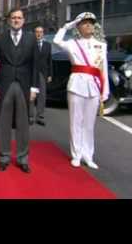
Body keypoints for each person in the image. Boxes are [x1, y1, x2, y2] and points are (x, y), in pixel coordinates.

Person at [53, 12, 109, 169]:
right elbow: (57, 40)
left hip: (94, 86)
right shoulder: (72, 43)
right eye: (85, 23)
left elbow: (103, 69)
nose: (89, 25)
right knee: (76, 122)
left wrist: (105, 91)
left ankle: (88, 155)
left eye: (91, 22)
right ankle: (76, 154)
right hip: (77, 84)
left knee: (89, 124)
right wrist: (67, 26)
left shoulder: (101, 45)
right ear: (78, 27)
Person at [0, 8, 39, 174]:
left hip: (24, 85)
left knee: (23, 122)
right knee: (4, 121)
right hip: (5, 84)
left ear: (23, 20)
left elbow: (35, 65)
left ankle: (23, 158)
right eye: (13, 18)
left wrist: (34, 88)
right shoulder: (0, 38)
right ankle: (4, 157)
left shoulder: (31, 38)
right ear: (9, 20)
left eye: (19, 18)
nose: (16, 20)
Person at [30, 26, 53, 126]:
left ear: (43, 33)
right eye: (37, 32)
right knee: (30, 94)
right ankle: (30, 116)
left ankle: (40, 116)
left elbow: (49, 61)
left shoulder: (48, 45)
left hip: (43, 73)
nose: (39, 34)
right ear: (34, 33)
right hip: (31, 72)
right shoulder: (30, 44)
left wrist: (50, 74)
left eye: (41, 32)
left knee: (42, 95)